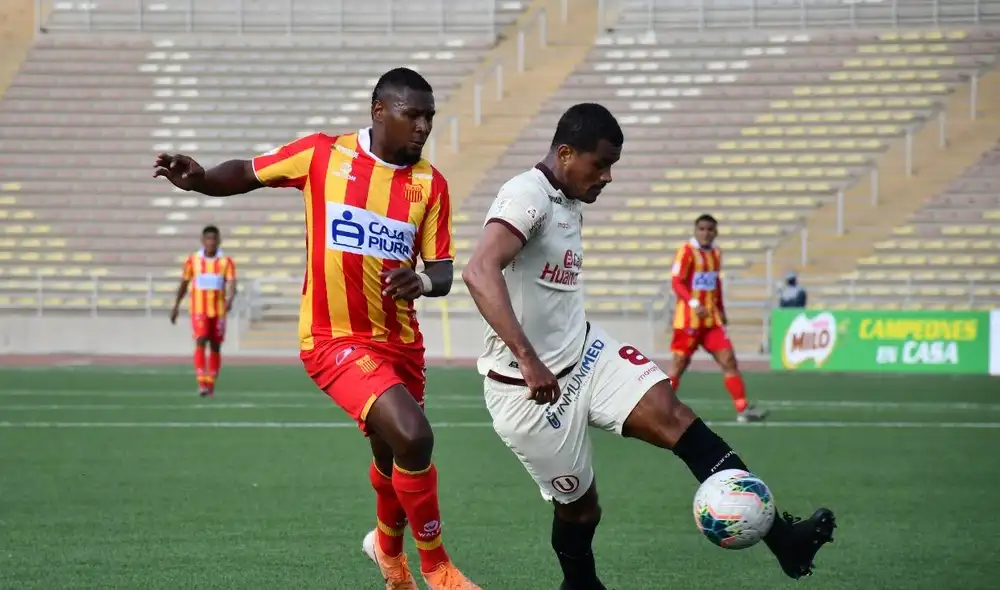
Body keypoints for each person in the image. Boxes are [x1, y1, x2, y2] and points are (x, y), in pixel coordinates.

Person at [462, 103, 835, 590]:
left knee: (678, 418)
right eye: (602, 164)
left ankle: (784, 541)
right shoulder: (525, 196)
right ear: (567, 154)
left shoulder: (568, 197)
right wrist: (529, 360)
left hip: (587, 355)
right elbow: (479, 271)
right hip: (530, 392)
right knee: (581, 509)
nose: (609, 177)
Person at [153, 67, 479, 590]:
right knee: (415, 439)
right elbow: (249, 171)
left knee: (391, 454)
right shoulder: (324, 155)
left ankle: (388, 557)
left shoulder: (430, 185)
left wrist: (422, 281)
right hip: (334, 339)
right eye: (411, 115)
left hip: (400, 343)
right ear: (379, 111)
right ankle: (437, 568)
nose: (422, 127)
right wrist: (201, 179)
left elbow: (441, 268)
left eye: (429, 117)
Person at [669, 214, 768, 422]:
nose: (706, 233)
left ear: (716, 232)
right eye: (702, 229)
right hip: (688, 322)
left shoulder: (716, 253)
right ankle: (662, 408)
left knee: (729, 360)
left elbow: (715, 283)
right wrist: (694, 304)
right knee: (679, 365)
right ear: (695, 231)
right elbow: (677, 282)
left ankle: (743, 410)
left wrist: (721, 309)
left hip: (712, 321)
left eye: (710, 229)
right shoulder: (686, 252)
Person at [170, 225, 236, 397]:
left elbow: (232, 283)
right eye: (208, 239)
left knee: (215, 345)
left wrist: (230, 298)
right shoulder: (193, 261)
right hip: (199, 310)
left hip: (219, 311)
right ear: (203, 240)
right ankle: (202, 383)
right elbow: (184, 283)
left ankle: (211, 383)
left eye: (214, 239)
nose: (211, 242)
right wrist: (176, 305)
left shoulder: (225, 262)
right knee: (201, 339)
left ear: (218, 241)